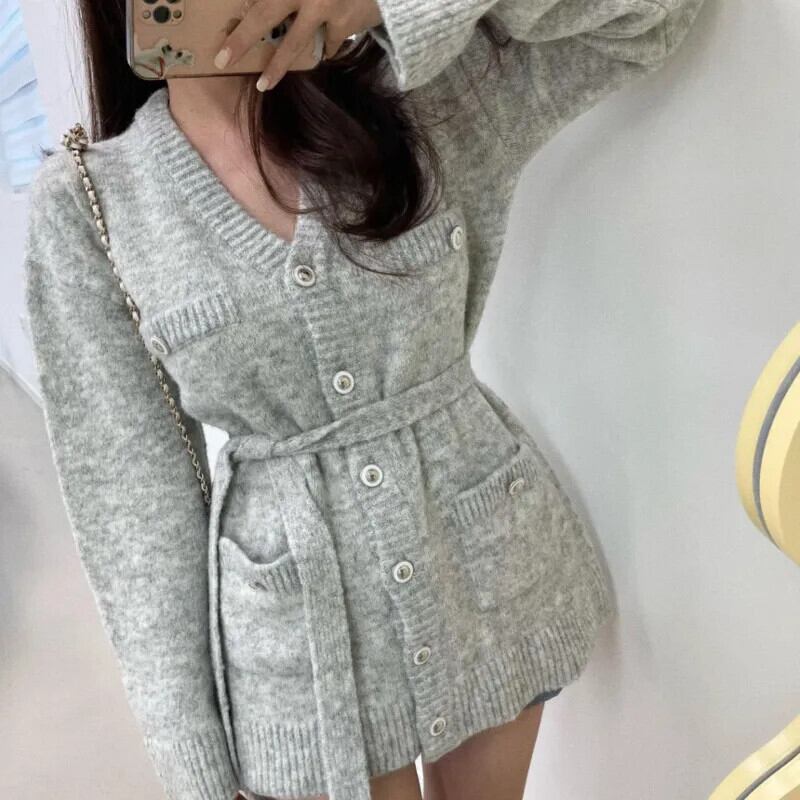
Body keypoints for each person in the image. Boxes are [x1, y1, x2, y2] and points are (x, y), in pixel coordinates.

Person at [23, 1, 707, 799]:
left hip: (490, 573)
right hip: (302, 649)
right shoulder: (93, 206)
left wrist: (395, 4)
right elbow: (133, 511)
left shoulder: (414, 98)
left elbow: (652, 17)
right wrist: (196, 773)